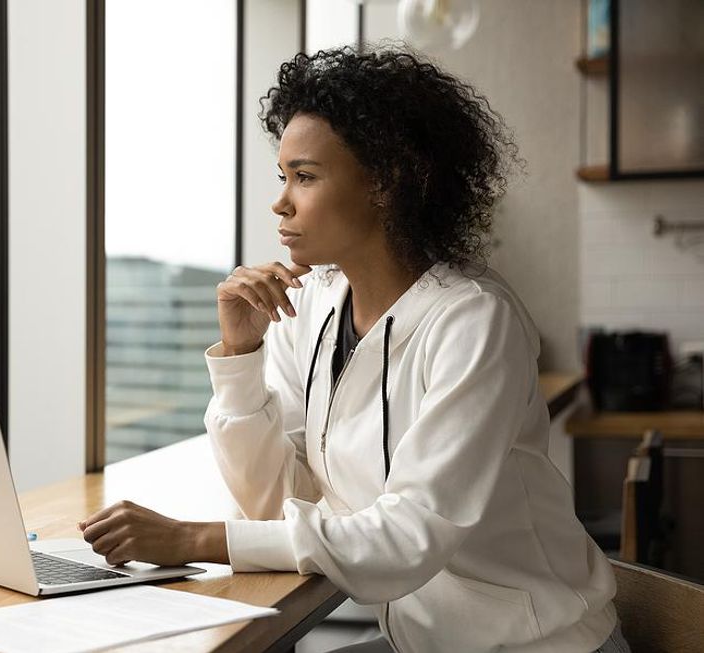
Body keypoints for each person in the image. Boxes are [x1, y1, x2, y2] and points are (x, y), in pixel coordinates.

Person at [78, 43, 631, 653]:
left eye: (305, 177)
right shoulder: (310, 303)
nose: (280, 202)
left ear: (388, 181)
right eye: (282, 176)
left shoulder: (474, 320)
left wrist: (191, 540)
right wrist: (239, 356)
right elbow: (273, 504)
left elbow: (408, 537)